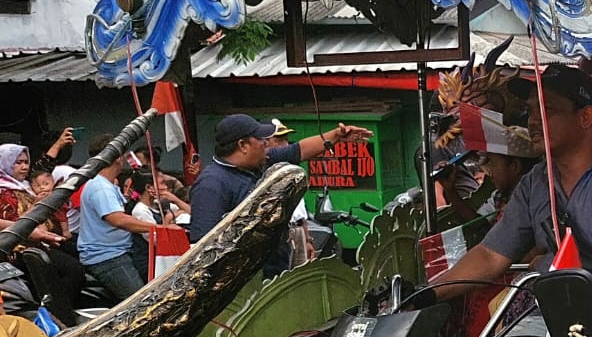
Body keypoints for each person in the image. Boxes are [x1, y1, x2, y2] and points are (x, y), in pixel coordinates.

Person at [435, 65, 592, 293]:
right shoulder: (535, 182)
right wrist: (429, 294)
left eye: (548, 110)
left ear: (584, 117)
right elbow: (490, 254)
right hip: (561, 309)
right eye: (531, 110)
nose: (533, 121)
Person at [187, 115, 372, 278]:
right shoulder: (212, 184)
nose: (266, 144)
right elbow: (203, 249)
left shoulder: (258, 162)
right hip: (246, 286)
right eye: (260, 139)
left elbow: (299, 150)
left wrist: (336, 136)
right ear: (243, 145)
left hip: (274, 270)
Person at [78, 138, 158, 302]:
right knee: (142, 304)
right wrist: (157, 228)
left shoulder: (107, 184)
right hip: (108, 257)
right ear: (117, 157)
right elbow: (118, 220)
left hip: (119, 251)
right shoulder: (101, 187)